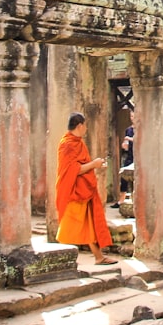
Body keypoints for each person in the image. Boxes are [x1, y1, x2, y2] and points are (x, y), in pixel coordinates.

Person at [55, 112, 116, 264]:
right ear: (80, 125)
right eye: (85, 125)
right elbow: (73, 170)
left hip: (84, 190)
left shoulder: (78, 142)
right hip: (73, 191)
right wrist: (93, 164)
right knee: (68, 226)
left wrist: (95, 165)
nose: (86, 128)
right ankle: (59, 259)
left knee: (89, 224)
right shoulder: (67, 144)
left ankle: (99, 257)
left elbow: (82, 166)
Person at [112, 110, 135, 208]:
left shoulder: (142, 129)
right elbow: (126, 144)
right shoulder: (128, 130)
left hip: (140, 157)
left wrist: (130, 139)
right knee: (124, 177)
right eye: (131, 116)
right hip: (130, 155)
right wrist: (124, 145)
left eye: (134, 116)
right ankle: (121, 200)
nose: (132, 118)